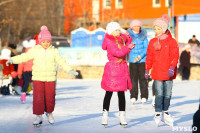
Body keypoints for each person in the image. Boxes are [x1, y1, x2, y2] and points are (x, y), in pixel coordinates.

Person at [6, 25, 78, 126]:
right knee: (38, 98)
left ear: (50, 42)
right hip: (38, 78)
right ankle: (38, 116)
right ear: (40, 41)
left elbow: (61, 61)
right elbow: (25, 57)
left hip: (50, 79)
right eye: (44, 42)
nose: (46, 44)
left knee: (50, 97)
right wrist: (13, 60)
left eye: (48, 42)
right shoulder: (35, 50)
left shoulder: (54, 51)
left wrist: (70, 70)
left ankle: (49, 113)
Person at [145, 14, 179, 127]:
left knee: (168, 93)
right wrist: (147, 69)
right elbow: (149, 56)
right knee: (159, 93)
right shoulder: (152, 41)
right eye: (155, 28)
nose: (156, 30)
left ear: (164, 29)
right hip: (157, 72)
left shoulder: (171, 41)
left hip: (169, 71)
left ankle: (166, 111)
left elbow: (175, 55)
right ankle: (158, 112)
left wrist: (172, 67)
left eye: (159, 28)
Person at [101, 22, 135, 127]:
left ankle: (122, 115)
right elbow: (118, 53)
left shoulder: (121, 39)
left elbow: (128, 40)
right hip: (112, 70)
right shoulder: (109, 41)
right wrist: (128, 48)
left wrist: (128, 36)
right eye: (116, 30)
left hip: (122, 69)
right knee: (109, 93)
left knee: (121, 93)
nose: (118, 32)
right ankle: (105, 114)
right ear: (111, 31)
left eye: (119, 30)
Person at [127, 19, 149, 104]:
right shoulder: (128, 37)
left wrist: (140, 56)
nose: (136, 28)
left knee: (143, 79)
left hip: (142, 60)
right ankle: (133, 96)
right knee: (133, 79)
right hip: (132, 61)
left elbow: (146, 49)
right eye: (135, 26)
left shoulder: (144, 36)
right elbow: (126, 47)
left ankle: (144, 96)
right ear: (132, 27)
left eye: (138, 26)